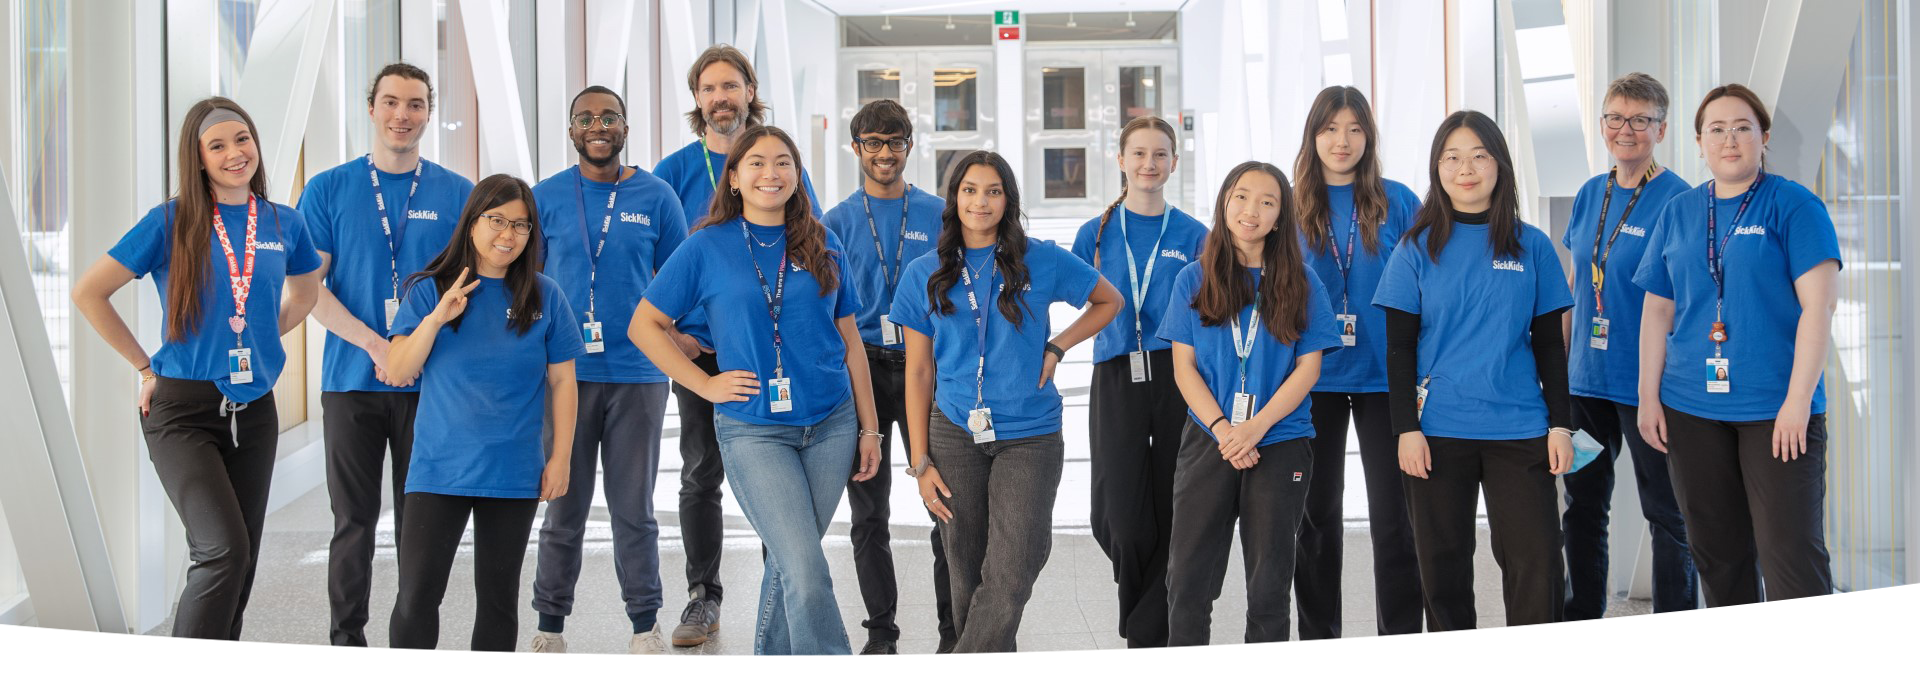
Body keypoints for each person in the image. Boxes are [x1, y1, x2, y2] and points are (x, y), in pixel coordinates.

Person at [72, 97, 322, 647]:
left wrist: (256, 338)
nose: (236, 153)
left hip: (255, 410)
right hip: (182, 410)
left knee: (243, 560)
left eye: (243, 139)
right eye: (218, 145)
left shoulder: (285, 221)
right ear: (198, 157)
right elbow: (89, 293)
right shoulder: (172, 219)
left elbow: (306, 291)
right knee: (221, 550)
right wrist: (144, 365)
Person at [633, 125, 881, 656]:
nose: (771, 173)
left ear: (797, 175)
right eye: (758, 163)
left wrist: (870, 427)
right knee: (808, 570)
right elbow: (644, 325)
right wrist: (702, 382)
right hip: (755, 430)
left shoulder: (822, 239)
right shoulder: (706, 246)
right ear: (737, 178)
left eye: (784, 162)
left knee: (793, 564)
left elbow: (851, 341)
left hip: (831, 423)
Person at [892, 150, 1122, 655]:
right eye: (970, 189)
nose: (981, 201)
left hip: (1030, 434)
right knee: (965, 572)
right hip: (953, 432)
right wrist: (919, 459)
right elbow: (918, 370)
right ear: (954, 198)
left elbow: (1109, 300)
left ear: (1008, 200)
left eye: (993, 191)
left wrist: (1058, 346)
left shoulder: (1041, 258)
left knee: (1014, 567)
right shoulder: (924, 273)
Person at [1632, 84, 1840, 631]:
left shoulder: (1794, 205)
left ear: (1763, 138)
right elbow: (1657, 310)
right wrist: (1648, 396)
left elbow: (1818, 311)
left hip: (1777, 412)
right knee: (1719, 558)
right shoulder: (1680, 211)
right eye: (1717, 129)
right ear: (1699, 142)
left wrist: (1797, 403)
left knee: (1789, 558)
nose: (1730, 139)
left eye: (1743, 127)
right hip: (1690, 408)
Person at [1373, 110, 1576, 649]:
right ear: (1438, 168)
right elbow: (1398, 349)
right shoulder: (1415, 248)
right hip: (1438, 429)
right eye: (1453, 158)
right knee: (1441, 568)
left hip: (1519, 428)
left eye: (1479, 156)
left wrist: (1562, 426)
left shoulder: (1532, 247)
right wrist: (1405, 430)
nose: (1466, 169)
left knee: (1536, 562)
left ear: (1499, 165)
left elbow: (1551, 347)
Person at [298, 62, 475, 649]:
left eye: (417, 104)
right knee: (352, 522)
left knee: (417, 524)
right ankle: (347, 643)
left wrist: (414, 348)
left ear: (429, 112)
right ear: (371, 108)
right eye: (392, 102)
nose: (404, 115)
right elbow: (308, 291)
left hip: (429, 386)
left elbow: (469, 289)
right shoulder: (328, 188)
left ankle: (409, 644)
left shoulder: (456, 192)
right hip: (350, 381)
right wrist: (377, 343)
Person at [650, 45, 823, 645]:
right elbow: (650, 270)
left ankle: (789, 579)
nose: (720, 98)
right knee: (700, 473)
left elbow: (816, 249)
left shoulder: (780, 162)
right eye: (708, 89)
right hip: (704, 354)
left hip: (774, 348)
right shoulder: (672, 172)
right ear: (697, 100)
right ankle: (704, 596)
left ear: (751, 89)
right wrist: (676, 336)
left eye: (731, 85)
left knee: (792, 468)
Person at [523, 85, 694, 656]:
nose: (598, 126)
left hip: (639, 376)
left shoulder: (658, 195)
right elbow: (527, 287)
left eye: (610, 117)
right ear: (571, 129)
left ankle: (645, 624)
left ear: (626, 126)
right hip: (565, 376)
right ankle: (549, 627)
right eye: (585, 118)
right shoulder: (544, 197)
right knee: (563, 504)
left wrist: (685, 341)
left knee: (633, 508)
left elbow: (681, 280)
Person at [383, 174, 582, 655]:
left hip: (512, 473)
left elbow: (563, 383)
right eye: (497, 220)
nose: (508, 235)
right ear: (472, 223)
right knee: (417, 597)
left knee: (498, 603)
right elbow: (398, 370)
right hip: (438, 471)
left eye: (521, 225)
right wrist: (436, 319)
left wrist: (561, 459)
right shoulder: (430, 291)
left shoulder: (545, 295)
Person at [1161, 161, 1341, 650]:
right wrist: (1225, 429)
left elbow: (1309, 369)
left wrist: (1254, 428)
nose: (1251, 211)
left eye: (1267, 202)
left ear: (1281, 216)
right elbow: (1184, 368)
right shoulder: (1191, 279)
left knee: (1268, 584)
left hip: (1279, 440)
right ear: (1224, 202)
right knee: (1188, 580)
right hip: (1209, 438)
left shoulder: (1303, 282)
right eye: (1241, 197)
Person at [1559, 73, 1700, 632]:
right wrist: (1560, 368)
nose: (1626, 130)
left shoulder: (1681, 199)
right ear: (1602, 125)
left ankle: (1674, 631)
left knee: (1668, 515)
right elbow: (1576, 284)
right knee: (1584, 505)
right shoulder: (1592, 192)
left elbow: (1684, 300)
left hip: (1648, 390)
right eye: (1616, 117)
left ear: (1660, 130)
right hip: (1586, 387)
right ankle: (1583, 623)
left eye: (1640, 119)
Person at [1290, 86, 1426, 650]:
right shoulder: (1290, 201)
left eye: (1352, 129)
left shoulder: (1398, 201)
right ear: (1312, 136)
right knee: (1315, 517)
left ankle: (1400, 646)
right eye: (1328, 129)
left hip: (1384, 377)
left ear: (1368, 136)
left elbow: (1428, 284)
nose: (1340, 141)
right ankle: (1321, 645)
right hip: (1309, 378)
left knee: (1396, 518)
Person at [819, 98, 952, 656]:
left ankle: (954, 632)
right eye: (872, 142)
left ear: (909, 148)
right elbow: (824, 308)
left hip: (927, 366)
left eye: (894, 142)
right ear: (856, 149)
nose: (884, 153)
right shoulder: (837, 222)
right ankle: (881, 633)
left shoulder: (940, 213)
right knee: (869, 510)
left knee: (945, 505)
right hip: (865, 370)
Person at [1068, 115, 1206, 650]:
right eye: (1140, 153)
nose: (1150, 164)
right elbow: (1068, 294)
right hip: (1115, 375)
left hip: (1179, 378)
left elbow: (1213, 312)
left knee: (1176, 501)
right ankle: (1147, 618)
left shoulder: (1194, 235)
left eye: (1161, 154)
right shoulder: (1095, 234)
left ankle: (1148, 635)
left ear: (1174, 162)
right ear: (1121, 159)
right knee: (1118, 515)